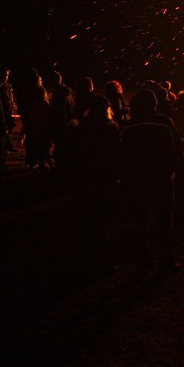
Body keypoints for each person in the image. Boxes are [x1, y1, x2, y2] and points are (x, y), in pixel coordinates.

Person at [120, 89, 181, 276]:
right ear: (155, 104)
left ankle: (142, 263)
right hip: (162, 178)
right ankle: (166, 262)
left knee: (140, 221)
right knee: (164, 221)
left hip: (138, 179)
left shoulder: (129, 126)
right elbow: (176, 151)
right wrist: (178, 172)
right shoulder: (165, 122)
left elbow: (122, 155)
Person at [70, 95, 120, 273]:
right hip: (104, 180)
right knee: (103, 220)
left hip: (85, 180)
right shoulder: (110, 129)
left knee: (86, 219)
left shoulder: (80, 129)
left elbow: (74, 156)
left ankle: (86, 256)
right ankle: (102, 258)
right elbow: (117, 156)